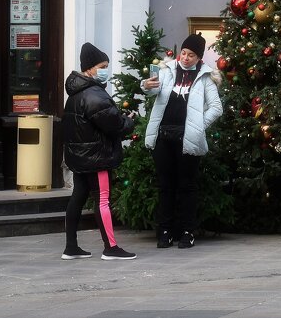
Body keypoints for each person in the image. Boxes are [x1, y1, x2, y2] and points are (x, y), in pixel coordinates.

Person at [141, 33, 222, 250]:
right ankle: (165, 231)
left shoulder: (205, 78)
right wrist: (146, 85)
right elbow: (153, 91)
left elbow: (216, 107)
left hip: (188, 140)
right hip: (163, 137)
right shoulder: (167, 71)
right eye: (183, 53)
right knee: (165, 186)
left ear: (199, 58)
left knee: (187, 187)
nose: (185, 58)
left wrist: (197, 126)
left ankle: (188, 231)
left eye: (191, 55)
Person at [62, 42, 136, 261]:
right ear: (90, 68)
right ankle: (110, 247)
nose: (105, 70)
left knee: (77, 197)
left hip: (80, 158)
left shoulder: (75, 93)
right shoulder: (94, 94)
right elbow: (114, 124)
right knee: (102, 199)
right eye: (102, 66)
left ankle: (71, 247)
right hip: (97, 158)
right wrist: (129, 122)